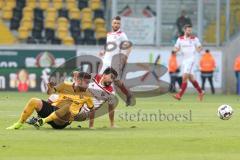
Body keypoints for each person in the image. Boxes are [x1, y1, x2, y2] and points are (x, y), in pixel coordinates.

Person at [7, 72, 94, 130]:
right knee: (33, 101)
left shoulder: (88, 94)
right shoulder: (65, 85)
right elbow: (50, 93)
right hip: (53, 109)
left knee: (68, 106)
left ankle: (43, 121)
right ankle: (19, 124)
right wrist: (50, 87)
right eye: (86, 82)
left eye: (88, 82)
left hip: (62, 120)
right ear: (78, 81)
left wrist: (91, 126)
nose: (88, 85)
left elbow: (92, 109)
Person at [99, 15, 133, 106]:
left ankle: (128, 95)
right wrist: (103, 51)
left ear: (120, 25)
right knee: (100, 78)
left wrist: (125, 56)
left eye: (118, 23)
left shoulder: (122, 34)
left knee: (117, 82)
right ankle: (104, 98)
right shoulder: (109, 34)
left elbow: (129, 46)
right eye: (115, 23)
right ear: (112, 24)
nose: (116, 25)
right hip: (106, 60)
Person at [172, 24, 204, 101]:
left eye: (190, 30)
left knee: (184, 77)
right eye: (188, 30)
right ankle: (201, 92)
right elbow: (176, 47)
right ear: (184, 30)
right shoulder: (180, 39)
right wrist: (175, 50)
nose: (190, 31)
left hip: (191, 60)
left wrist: (198, 49)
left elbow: (200, 47)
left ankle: (179, 95)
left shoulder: (194, 39)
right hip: (185, 61)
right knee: (191, 79)